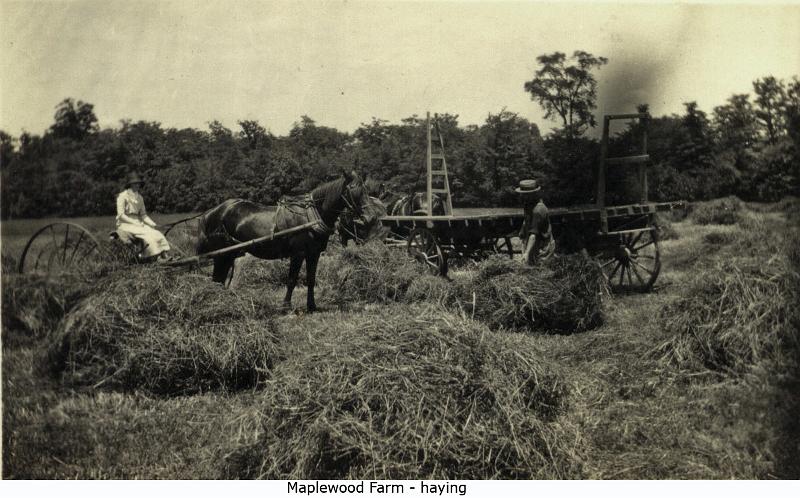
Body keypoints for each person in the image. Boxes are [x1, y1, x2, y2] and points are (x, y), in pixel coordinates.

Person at [116, 172, 171, 262]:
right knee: (148, 236)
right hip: (125, 224)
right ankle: (157, 258)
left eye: (138, 183)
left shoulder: (140, 198)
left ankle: (165, 255)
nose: (137, 185)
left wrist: (154, 224)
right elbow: (121, 215)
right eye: (135, 183)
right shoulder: (122, 197)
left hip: (138, 224)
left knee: (156, 233)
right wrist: (134, 222)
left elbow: (143, 215)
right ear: (130, 184)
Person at [516, 179, 554, 265]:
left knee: (540, 268)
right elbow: (526, 219)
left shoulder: (538, 210)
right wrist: (523, 229)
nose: (522, 196)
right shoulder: (528, 205)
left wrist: (526, 253)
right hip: (534, 244)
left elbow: (533, 235)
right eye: (522, 194)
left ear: (532, 194)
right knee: (530, 264)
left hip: (542, 246)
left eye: (525, 194)